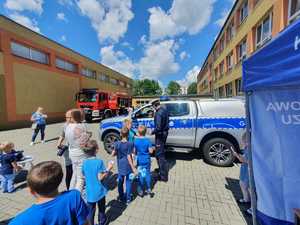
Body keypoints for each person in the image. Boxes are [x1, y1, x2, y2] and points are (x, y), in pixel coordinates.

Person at [8, 161, 89, 225]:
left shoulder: (19, 222)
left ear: (31, 191)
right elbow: (84, 222)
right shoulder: (74, 197)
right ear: (59, 181)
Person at [82, 140, 113, 225]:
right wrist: (108, 168)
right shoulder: (99, 162)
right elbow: (100, 177)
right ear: (96, 150)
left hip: (89, 192)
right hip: (99, 191)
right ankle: (102, 222)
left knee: (90, 211)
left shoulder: (84, 162)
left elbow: (84, 176)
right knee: (101, 208)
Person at [65, 109, 91, 192]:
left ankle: (70, 190)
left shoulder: (68, 126)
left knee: (74, 174)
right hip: (80, 152)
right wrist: (88, 135)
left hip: (72, 151)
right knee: (81, 177)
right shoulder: (80, 126)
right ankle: (76, 196)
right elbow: (84, 141)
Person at [112, 127, 136, 204]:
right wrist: (133, 167)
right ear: (128, 134)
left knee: (120, 182)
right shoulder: (130, 144)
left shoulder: (117, 144)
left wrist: (115, 151)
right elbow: (130, 156)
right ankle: (128, 199)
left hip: (120, 166)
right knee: (128, 182)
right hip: (128, 165)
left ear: (120, 134)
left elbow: (113, 154)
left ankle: (121, 197)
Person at [232, 132, 252, 214]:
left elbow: (246, 160)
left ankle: (253, 208)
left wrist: (237, 156)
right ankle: (246, 199)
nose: (243, 143)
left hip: (249, 171)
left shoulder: (251, 149)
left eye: (244, 141)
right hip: (245, 169)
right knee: (242, 183)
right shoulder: (247, 148)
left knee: (251, 189)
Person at [134, 125, 154, 197]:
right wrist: (152, 148)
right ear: (145, 132)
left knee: (141, 175)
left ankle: (141, 190)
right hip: (147, 160)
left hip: (140, 160)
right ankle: (148, 188)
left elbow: (134, 151)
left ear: (138, 133)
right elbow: (151, 151)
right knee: (148, 174)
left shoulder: (136, 141)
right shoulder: (148, 141)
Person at [151, 100, 169, 182]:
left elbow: (158, 128)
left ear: (155, 105)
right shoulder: (164, 110)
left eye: (153, 106)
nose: (153, 108)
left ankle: (163, 176)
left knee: (159, 155)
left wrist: (152, 132)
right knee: (161, 153)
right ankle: (161, 170)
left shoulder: (158, 113)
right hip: (164, 134)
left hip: (160, 136)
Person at [57, 110, 73, 190]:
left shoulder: (78, 125)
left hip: (76, 151)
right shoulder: (64, 126)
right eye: (67, 117)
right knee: (69, 170)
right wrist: (59, 143)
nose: (68, 119)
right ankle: (69, 189)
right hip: (67, 151)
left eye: (70, 117)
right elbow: (62, 136)